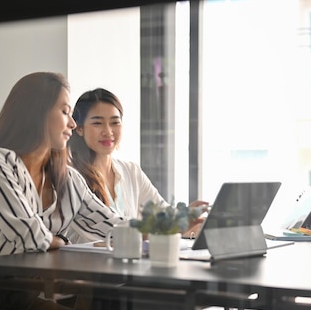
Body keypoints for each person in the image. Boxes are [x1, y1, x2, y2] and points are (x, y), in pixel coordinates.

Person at [0, 72, 126, 310]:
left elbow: (112, 225)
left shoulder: (67, 178)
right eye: (65, 112)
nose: (73, 123)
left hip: (29, 297)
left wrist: (167, 228)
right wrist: (60, 241)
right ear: (37, 113)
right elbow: (29, 235)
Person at [66, 87, 208, 243]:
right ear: (79, 128)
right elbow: (111, 229)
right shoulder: (71, 177)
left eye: (115, 123)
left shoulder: (131, 171)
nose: (108, 131)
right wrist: (176, 224)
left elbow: (161, 212)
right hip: (87, 265)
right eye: (97, 123)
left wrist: (187, 220)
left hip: (126, 264)